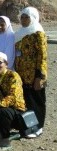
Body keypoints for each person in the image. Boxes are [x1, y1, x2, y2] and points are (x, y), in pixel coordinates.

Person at [14, 7, 47, 138]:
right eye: (22, 17)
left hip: (34, 76)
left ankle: (38, 127)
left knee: (36, 102)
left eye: (26, 17)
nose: (23, 20)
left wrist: (40, 77)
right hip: (22, 76)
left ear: (33, 17)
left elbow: (42, 56)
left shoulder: (38, 33)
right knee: (26, 102)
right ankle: (28, 127)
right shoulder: (19, 34)